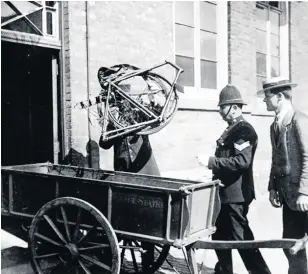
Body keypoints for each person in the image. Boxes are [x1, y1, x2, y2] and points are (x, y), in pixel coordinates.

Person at [197, 84, 271, 274]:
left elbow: (242, 161)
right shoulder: (232, 129)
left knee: (242, 240)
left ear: (235, 107)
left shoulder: (243, 130)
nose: (220, 110)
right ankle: (223, 271)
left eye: (223, 107)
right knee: (220, 237)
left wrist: (211, 162)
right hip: (224, 194)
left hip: (235, 196)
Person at [257, 77, 308, 274]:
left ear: (279, 96)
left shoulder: (299, 120)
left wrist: (305, 191)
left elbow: (307, 156)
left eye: (266, 97)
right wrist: (272, 187)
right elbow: (276, 159)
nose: (264, 101)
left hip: (302, 195)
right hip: (288, 196)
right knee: (291, 242)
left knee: (297, 241)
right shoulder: (275, 125)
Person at [99, 125, 159, 270]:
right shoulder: (114, 119)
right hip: (124, 174)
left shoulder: (140, 115)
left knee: (147, 221)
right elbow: (104, 143)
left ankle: (147, 266)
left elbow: (156, 122)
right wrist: (111, 129)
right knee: (120, 218)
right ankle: (110, 260)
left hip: (145, 173)